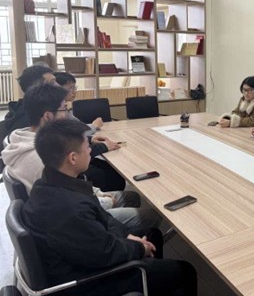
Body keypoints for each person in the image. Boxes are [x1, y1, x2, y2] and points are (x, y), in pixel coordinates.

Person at [22, 119, 196, 296]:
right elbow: (105, 252)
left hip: (82, 255)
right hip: (87, 282)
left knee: (153, 235)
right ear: (73, 158)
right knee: (184, 271)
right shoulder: (69, 209)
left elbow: (102, 218)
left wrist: (127, 235)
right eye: (87, 147)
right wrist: (139, 248)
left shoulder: (51, 183)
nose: (90, 150)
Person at [1, 83, 160, 230]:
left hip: (72, 207)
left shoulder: (23, 139)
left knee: (131, 197)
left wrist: (98, 193)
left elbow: (72, 185)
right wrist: (104, 201)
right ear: (48, 116)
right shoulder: (43, 159)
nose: (68, 114)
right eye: (64, 109)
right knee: (151, 215)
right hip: (71, 223)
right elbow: (71, 206)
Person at [2, 64, 56, 136]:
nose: (58, 86)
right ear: (38, 89)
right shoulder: (29, 120)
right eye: (52, 83)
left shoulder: (28, 109)